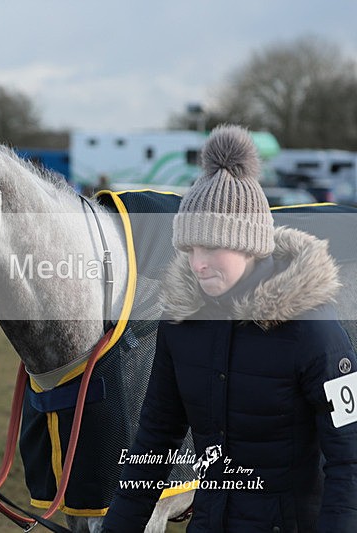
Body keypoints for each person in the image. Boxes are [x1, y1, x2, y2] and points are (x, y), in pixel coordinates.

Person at [102, 125, 357, 531]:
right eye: (190, 248)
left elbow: (350, 457)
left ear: (250, 244)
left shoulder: (314, 330)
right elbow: (155, 437)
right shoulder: (181, 324)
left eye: (212, 247)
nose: (198, 262)